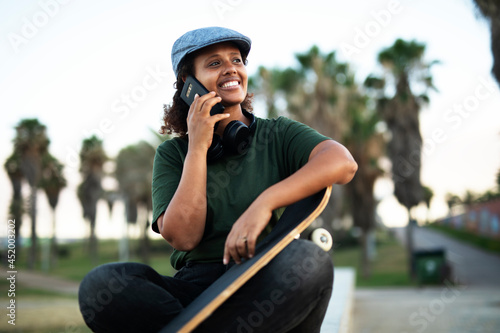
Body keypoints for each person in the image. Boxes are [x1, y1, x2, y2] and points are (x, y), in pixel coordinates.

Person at [78, 26, 357, 333]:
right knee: (101, 286)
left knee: (308, 261)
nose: (231, 69)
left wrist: (263, 204)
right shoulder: (174, 154)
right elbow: (183, 238)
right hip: (195, 292)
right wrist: (198, 147)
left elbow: (341, 162)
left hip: (264, 279)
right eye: (214, 63)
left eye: (237, 60)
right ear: (189, 85)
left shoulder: (278, 134)